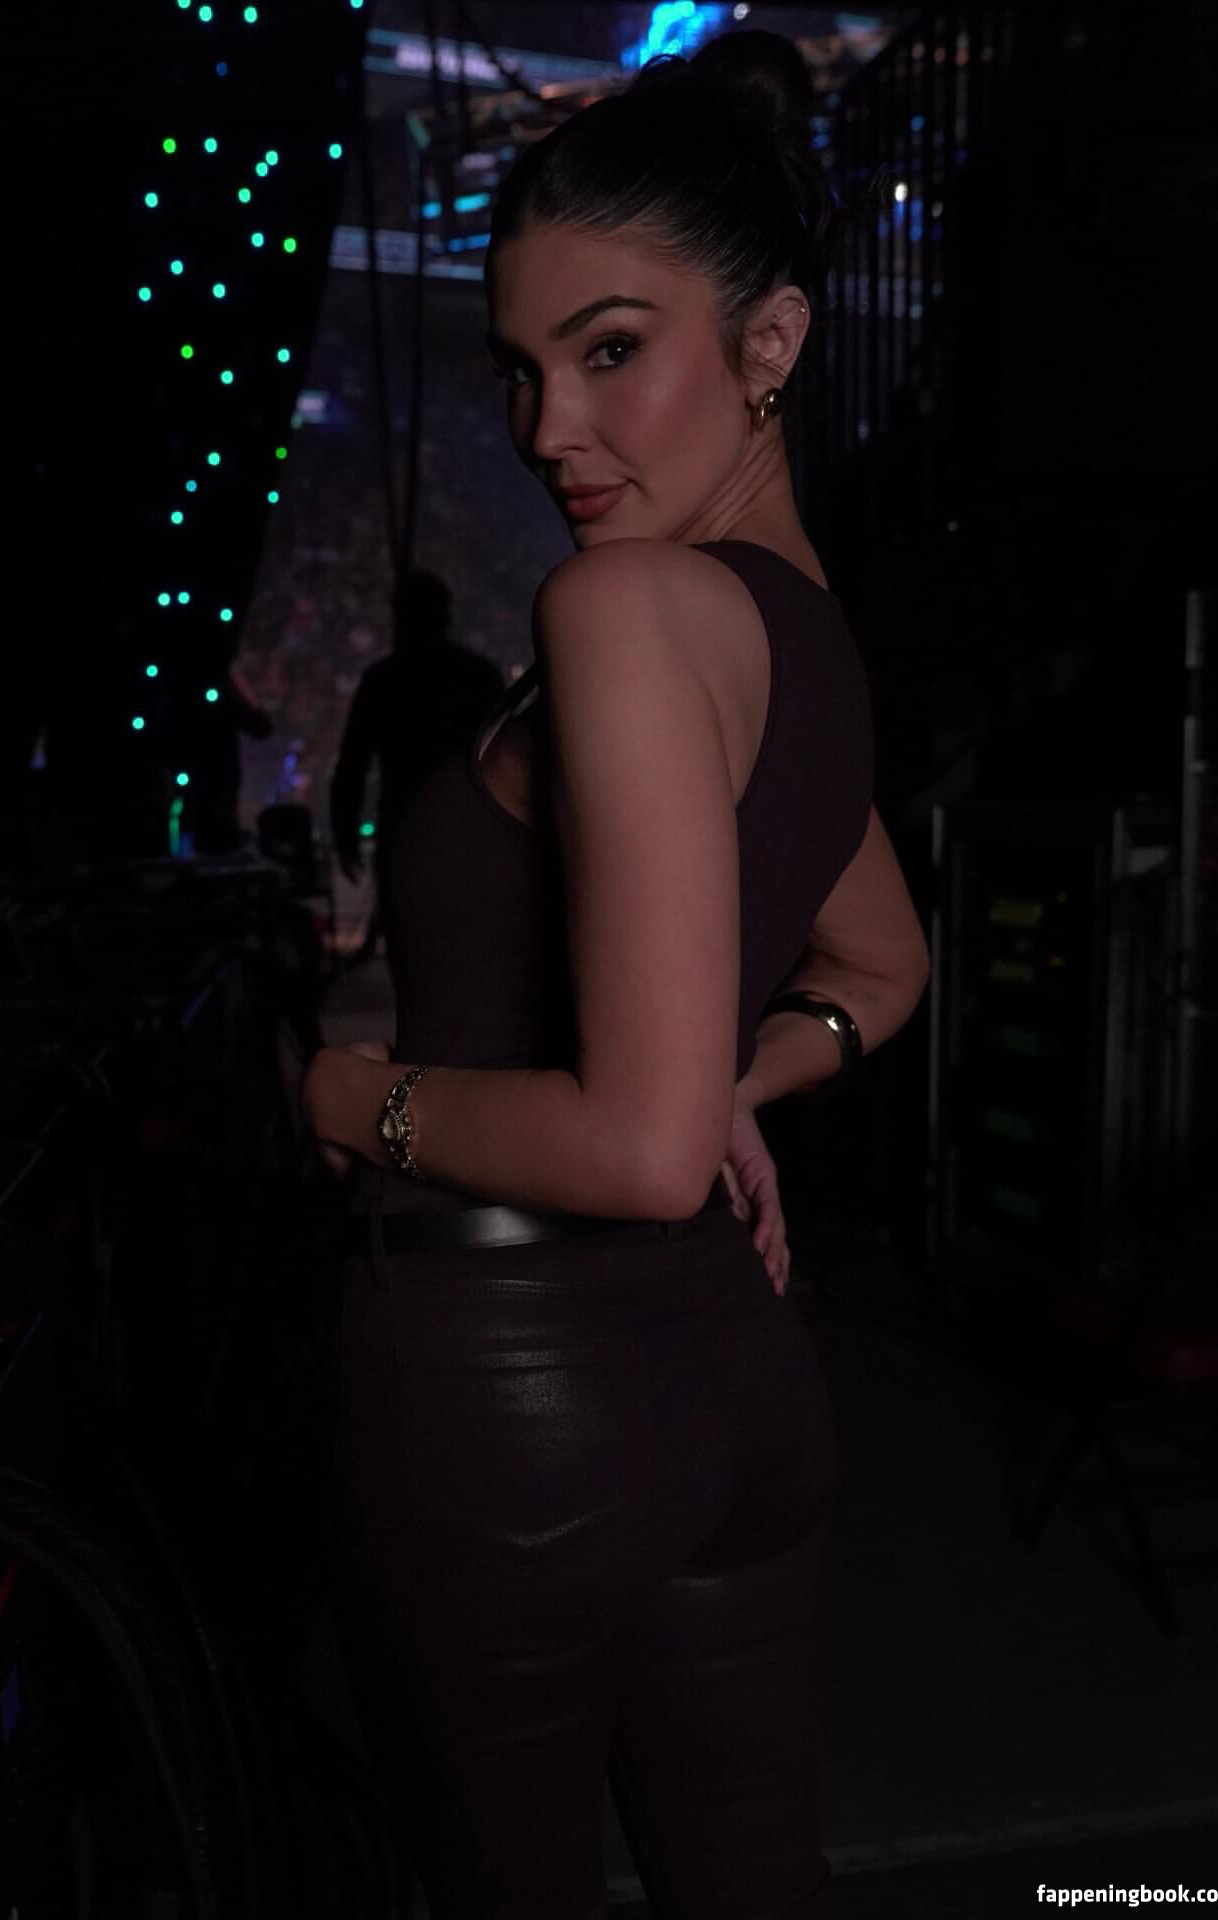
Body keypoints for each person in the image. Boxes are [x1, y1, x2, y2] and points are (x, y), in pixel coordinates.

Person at [300, 29, 929, 1919]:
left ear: (771, 341)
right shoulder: (802, 637)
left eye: (609, 351)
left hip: (515, 1407)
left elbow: (645, 1155)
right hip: (733, 1395)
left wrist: (354, 1099)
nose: (545, 429)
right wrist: (731, 1076)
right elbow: (880, 965)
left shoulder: (626, 608)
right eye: (521, 367)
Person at [329, 569, 505, 963]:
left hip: (408, 827)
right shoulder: (476, 676)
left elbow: (352, 766)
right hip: (466, 829)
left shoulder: (383, 680)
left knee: (412, 951)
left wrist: (345, 833)